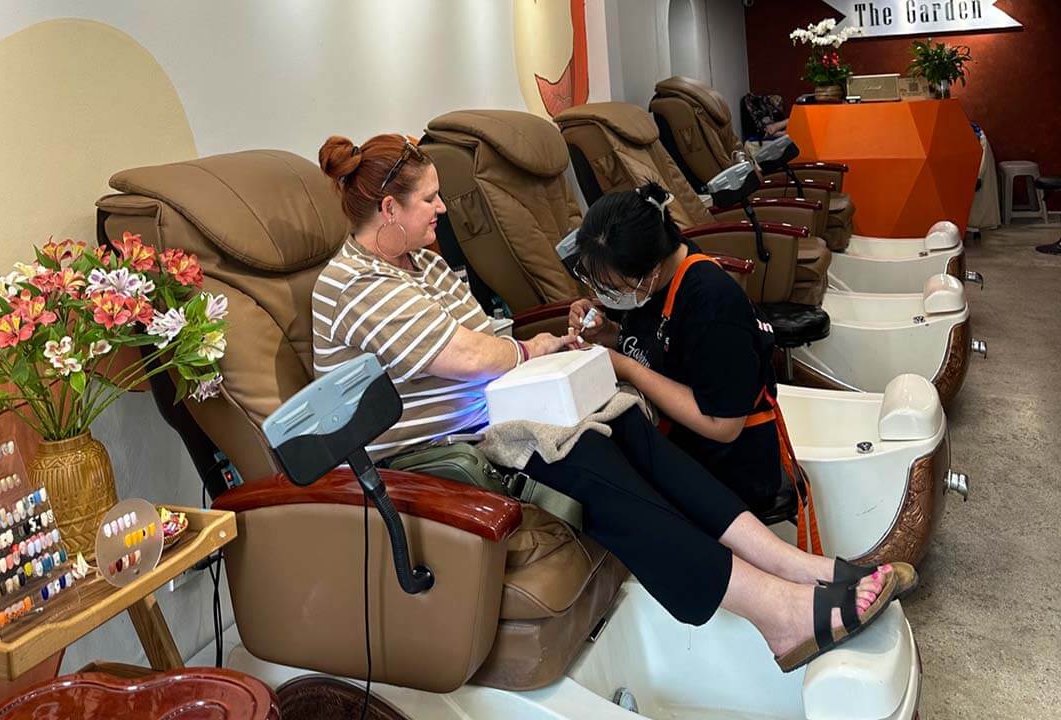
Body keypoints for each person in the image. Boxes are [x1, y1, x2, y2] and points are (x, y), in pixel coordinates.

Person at [312, 131, 900, 672]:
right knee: (592, 462)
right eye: (430, 200)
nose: (443, 209)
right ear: (389, 210)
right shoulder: (356, 285)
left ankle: (795, 567)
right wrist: (532, 351)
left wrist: (552, 350)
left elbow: (486, 338)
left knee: (625, 423)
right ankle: (779, 614)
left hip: (502, 415)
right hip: (433, 454)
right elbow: (462, 356)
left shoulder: (423, 262)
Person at [564, 182, 781, 513]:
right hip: (673, 443)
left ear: (651, 273)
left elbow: (723, 426)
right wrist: (608, 332)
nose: (605, 294)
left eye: (612, 287)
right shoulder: (649, 278)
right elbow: (663, 347)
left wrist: (625, 367)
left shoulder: (712, 301)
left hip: (729, 471)